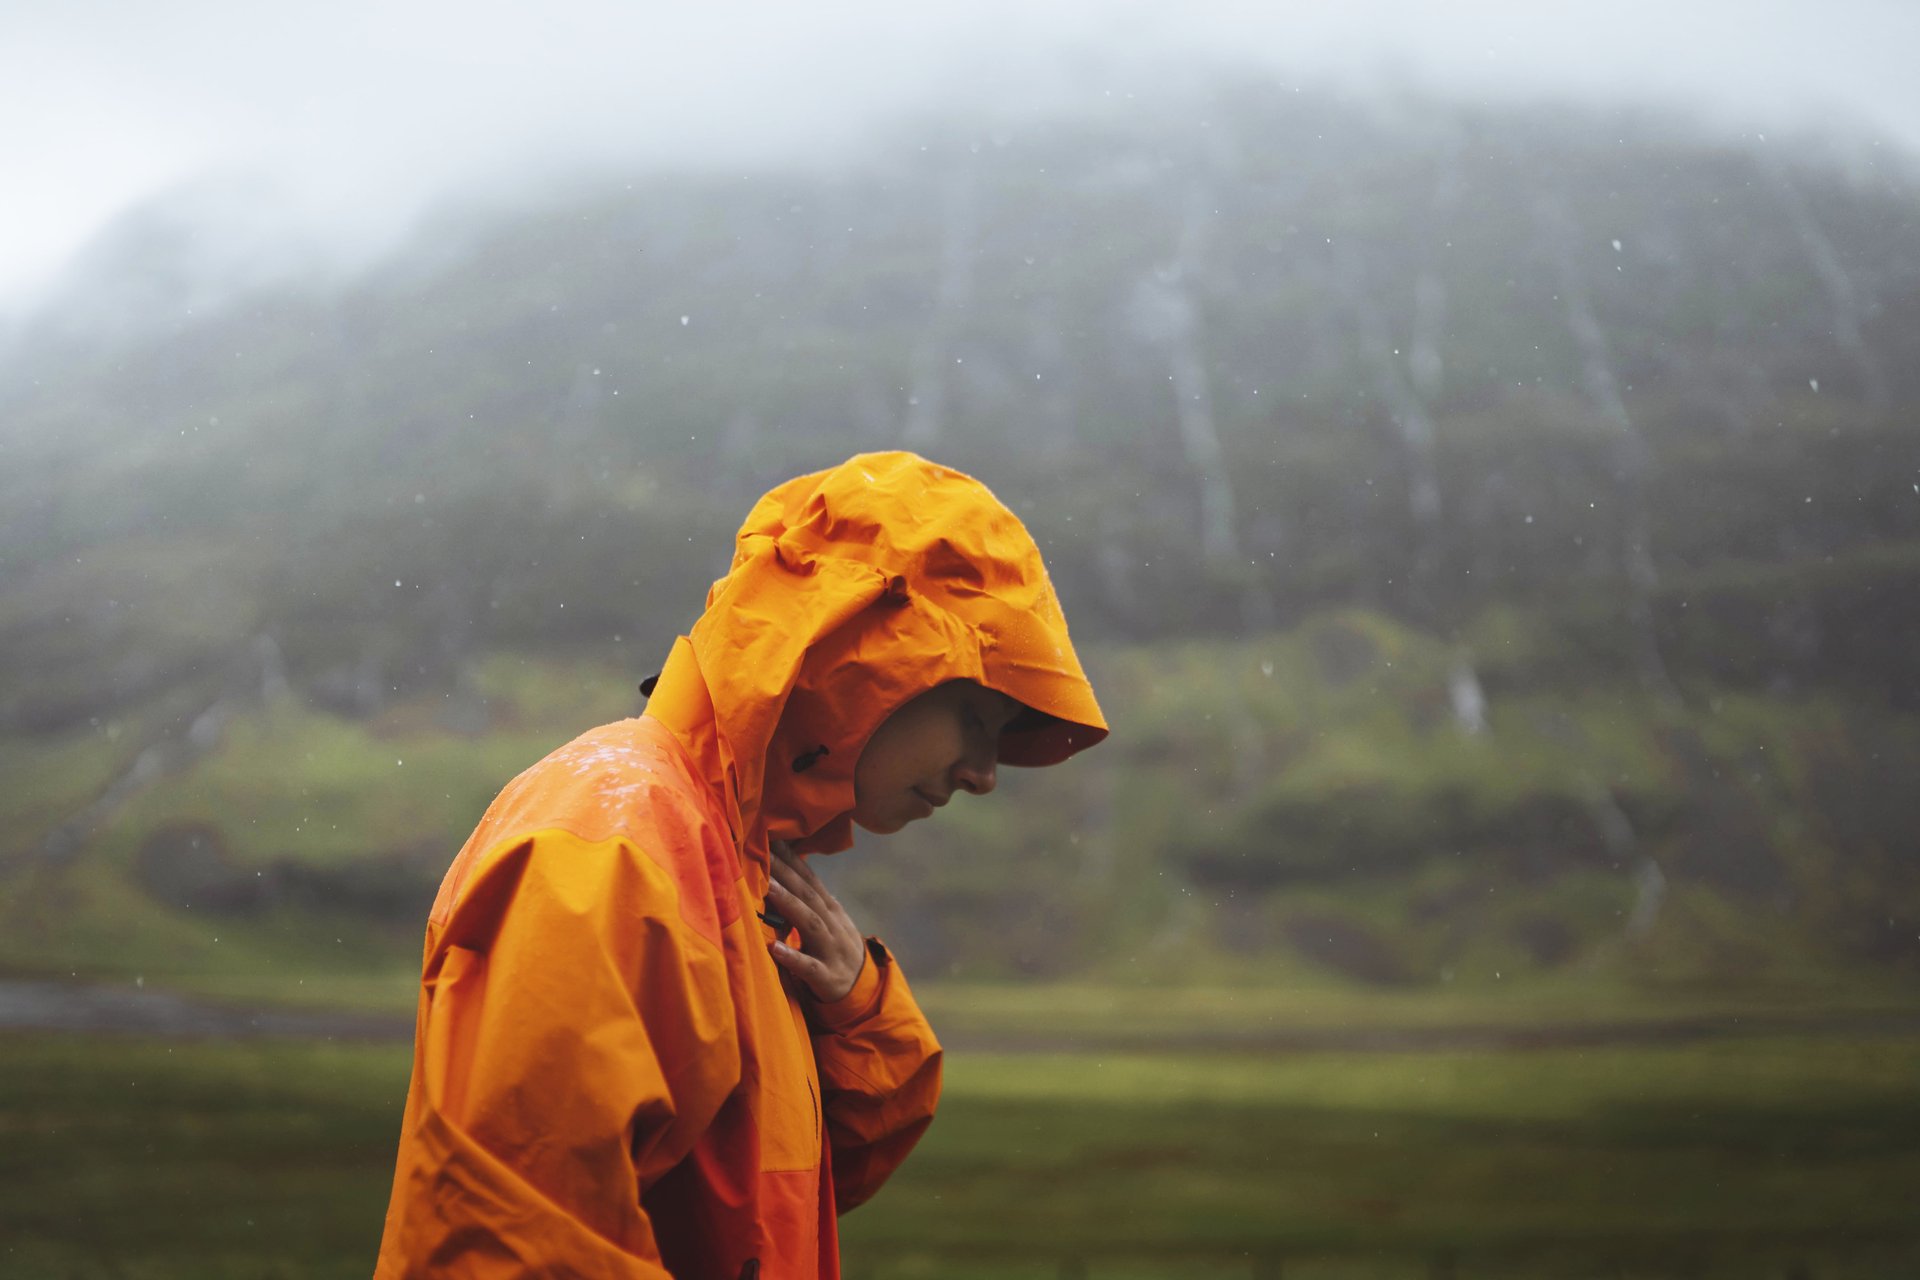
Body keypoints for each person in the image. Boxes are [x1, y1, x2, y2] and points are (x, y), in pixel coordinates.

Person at [373, 451, 1107, 1279]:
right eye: (976, 717)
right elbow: (514, 1245)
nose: (984, 773)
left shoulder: (736, 864)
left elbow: (772, 1205)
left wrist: (857, 1015)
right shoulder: (613, 842)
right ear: (864, 657)